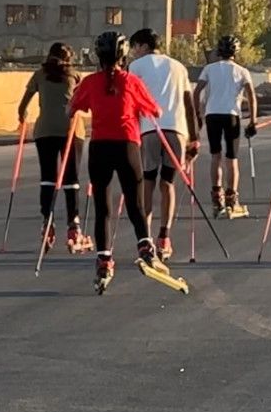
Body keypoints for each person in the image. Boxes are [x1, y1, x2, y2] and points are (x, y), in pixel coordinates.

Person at [71, 32, 164, 292]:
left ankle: (104, 260)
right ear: (122, 56)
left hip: (100, 148)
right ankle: (145, 245)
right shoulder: (131, 81)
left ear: (98, 56)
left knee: (103, 207)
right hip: (127, 146)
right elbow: (154, 110)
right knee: (135, 202)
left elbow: (71, 109)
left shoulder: (89, 82)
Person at [128, 28, 200, 261]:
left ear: (143, 46)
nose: (133, 53)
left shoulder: (136, 67)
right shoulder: (179, 67)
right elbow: (189, 104)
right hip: (176, 130)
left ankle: (145, 239)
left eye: (135, 47)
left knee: (147, 181)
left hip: (149, 129)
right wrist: (194, 137)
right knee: (167, 183)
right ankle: (164, 237)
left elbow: (129, 103)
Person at [18, 42, 91, 255]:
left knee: (48, 178)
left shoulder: (39, 75)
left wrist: (22, 117)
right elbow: (84, 104)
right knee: (71, 180)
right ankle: (73, 225)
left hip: (45, 131)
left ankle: (47, 222)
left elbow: (23, 105)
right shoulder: (76, 77)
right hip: (71, 131)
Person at [194, 35, 258, 218]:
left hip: (212, 115)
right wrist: (253, 120)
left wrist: (198, 114)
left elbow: (197, 91)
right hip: (232, 115)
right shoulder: (242, 71)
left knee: (216, 156)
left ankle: (217, 198)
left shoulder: (209, 69)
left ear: (218, 51)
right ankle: (232, 199)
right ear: (236, 52)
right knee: (232, 158)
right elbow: (251, 96)